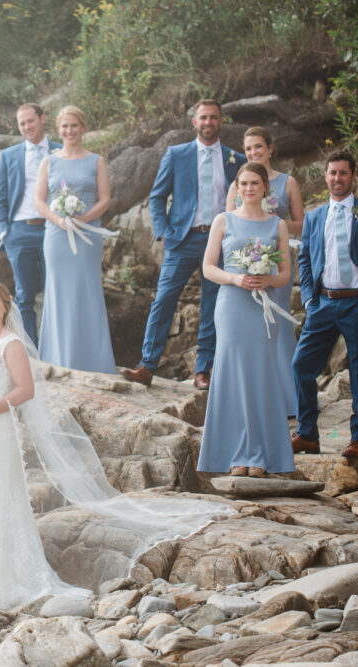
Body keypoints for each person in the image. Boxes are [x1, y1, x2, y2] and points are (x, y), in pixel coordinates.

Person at [0, 282, 233, 611]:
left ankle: (10, 581)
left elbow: (25, 391)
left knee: (0, 502)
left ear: (5, 307)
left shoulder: (10, 344)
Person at [122, 99, 246, 389]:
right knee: (164, 300)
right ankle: (147, 365)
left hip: (219, 242)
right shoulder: (176, 154)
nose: (208, 122)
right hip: (182, 239)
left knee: (211, 305)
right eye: (203, 117)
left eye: (213, 117)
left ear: (221, 121)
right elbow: (156, 196)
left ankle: (203, 370)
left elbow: (241, 201)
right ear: (194, 122)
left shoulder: (235, 160)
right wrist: (164, 231)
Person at [291, 151, 358, 459]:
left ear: (353, 177)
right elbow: (305, 261)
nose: (337, 178)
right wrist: (310, 300)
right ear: (325, 176)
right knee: (301, 365)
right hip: (323, 303)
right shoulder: (313, 218)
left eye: (343, 173)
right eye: (332, 173)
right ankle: (308, 434)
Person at [198, 163, 295, 477]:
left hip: (262, 309)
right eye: (243, 183)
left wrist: (267, 278)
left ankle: (261, 453)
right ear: (236, 187)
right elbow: (208, 268)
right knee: (233, 375)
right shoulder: (223, 221)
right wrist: (236, 278)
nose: (249, 188)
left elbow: (286, 277)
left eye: (255, 183)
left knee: (261, 376)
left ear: (266, 187)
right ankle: (237, 453)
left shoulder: (277, 225)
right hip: (232, 306)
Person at [225, 126, 304, 416]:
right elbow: (229, 223)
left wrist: (271, 222)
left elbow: (301, 223)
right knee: (251, 328)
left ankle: (291, 399)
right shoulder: (239, 184)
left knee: (278, 326)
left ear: (270, 148)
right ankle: (257, 396)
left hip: (275, 260)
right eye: (248, 149)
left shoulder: (287, 182)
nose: (254, 152)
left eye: (259, 147)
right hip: (244, 263)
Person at [34, 105, 115, 373]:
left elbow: (105, 199)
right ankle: (59, 359)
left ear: (83, 127)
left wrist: (83, 219)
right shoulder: (49, 161)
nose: (69, 131)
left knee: (87, 291)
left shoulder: (96, 161)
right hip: (57, 237)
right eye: (65, 127)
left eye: (74, 126)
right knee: (58, 293)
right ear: (59, 129)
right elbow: (39, 200)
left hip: (87, 236)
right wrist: (58, 220)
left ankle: (93, 361)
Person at [0, 102, 61, 345]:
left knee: (57, 290)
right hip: (19, 231)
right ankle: (32, 352)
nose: (26, 127)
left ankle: (57, 347)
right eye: (22, 124)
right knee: (24, 295)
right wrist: (4, 233)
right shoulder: (8, 156)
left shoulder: (60, 152)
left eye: (30, 121)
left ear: (42, 119)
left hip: (54, 228)